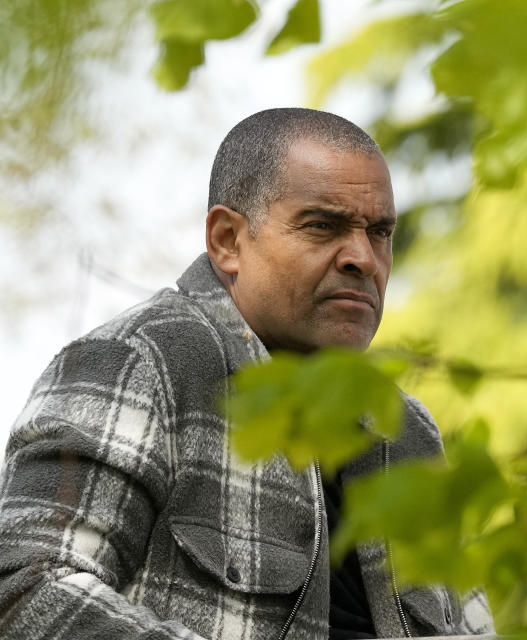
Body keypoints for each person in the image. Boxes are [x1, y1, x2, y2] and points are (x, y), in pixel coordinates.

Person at [0, 108, 495, 640]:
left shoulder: (408, 431)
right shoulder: (142, 361)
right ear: (228, 241)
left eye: (379, 232)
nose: (362, 258)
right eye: (322, 225)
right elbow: (26, 590)